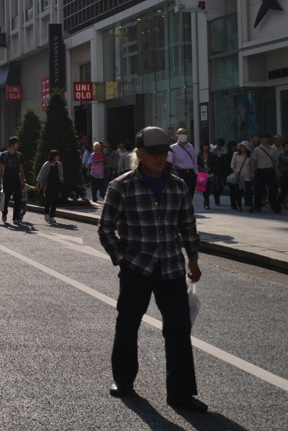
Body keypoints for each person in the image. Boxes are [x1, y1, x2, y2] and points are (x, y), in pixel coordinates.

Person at [98, 126, 206, 413]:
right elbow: (106, 229)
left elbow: (187, 226)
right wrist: (122, 259)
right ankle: (123, 380)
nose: (160, 158)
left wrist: (193, 260)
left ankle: (181, 393)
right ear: (140, 154)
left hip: (171, 266)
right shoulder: (121, 186)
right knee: (128, 324)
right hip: (137, 267)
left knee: (179, 329)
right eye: (154, 153)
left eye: (164, 153)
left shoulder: (177, 185)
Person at [0, 137, 27, 224]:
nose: (18, 145)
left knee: (18, 199)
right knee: (6, 199)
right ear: (11, 145)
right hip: (7, 180)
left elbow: (21, 168)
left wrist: (23, 179)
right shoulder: (4, 155)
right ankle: (4, 213)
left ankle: (16, 218)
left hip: (16, 180)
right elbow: (0, 168)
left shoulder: (19, 155)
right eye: (17, 144)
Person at [168, 128, 198, 202]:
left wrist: (196, 172)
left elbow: (195, 160)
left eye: (184, 133)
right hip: (180, 173)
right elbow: (169, 162)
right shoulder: (173, 147)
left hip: (191, 173)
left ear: (187, 135)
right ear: (177, 136)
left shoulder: (190, 146)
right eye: (180, 133)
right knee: (181, 192)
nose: (182, 135)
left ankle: (189, 208)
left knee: (190, 192)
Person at [251, 134, 279, 213]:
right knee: (259, 189)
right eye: (262, 138)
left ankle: (273, 206)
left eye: (265, 138)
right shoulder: (257, 149)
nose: (263, 140)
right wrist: (252, 171)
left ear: (268, 139)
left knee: (272, 189)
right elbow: (254, 161)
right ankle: (257, 205)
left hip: (270, 170)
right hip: (261, 171)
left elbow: (275, 161)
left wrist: (276, 171)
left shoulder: (273, 149)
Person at [36, 150, 63, 223]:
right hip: (48, 185)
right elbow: (41, 174)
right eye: (57, 156)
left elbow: (60, 174)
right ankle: (46, 213)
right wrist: (38, 184)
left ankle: (52, 216)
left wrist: (61, 179)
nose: (59, 157)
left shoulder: (59, 164)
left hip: (56, 185)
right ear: (53, 157)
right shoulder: (47, 164)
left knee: (54, 201)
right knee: (49, 200)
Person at [229, 143, 254, 211]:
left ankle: (250, 205)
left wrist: (252, 173)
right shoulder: (236, 154)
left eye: (243, 146)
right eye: (241, 146)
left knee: (249, 191)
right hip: (238, 175)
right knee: (239, 191)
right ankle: (239, 205)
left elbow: (252, 165)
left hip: (247, 174)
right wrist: (235, 171)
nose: (242, 148)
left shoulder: (250, 156)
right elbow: (232, 164)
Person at [196, 143, 220, 210]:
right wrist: (200, 168)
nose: (206, 147)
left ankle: (206, 200)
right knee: (204, 188)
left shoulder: (211, 155)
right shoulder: (199, 155)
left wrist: (211, 168)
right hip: (202, 174)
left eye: (206, 145)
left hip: (210, 174)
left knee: (209, 188)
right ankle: (206, 201)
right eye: (204, 146)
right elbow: (196, 164)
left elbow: (215, 164)